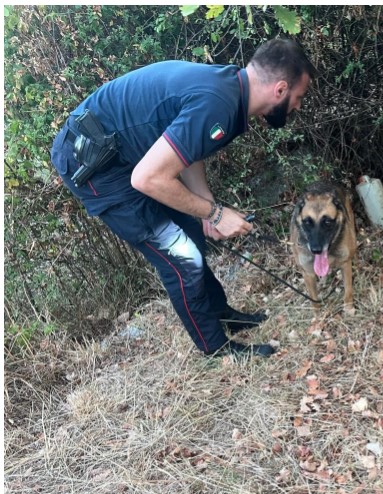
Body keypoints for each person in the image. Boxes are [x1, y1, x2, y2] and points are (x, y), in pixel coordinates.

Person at [50, 39, 314, 358]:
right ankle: (216, 348)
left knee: (190, 230)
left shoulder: (230, 89)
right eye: (299, 97)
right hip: (93, 162)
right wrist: (217, 214)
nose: (298, 106)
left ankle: (221, 314)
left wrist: (206, 207)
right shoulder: (219, 101)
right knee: (181, 255)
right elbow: (147, 178)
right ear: (280, 89)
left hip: (122, 154)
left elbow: (188, 148)